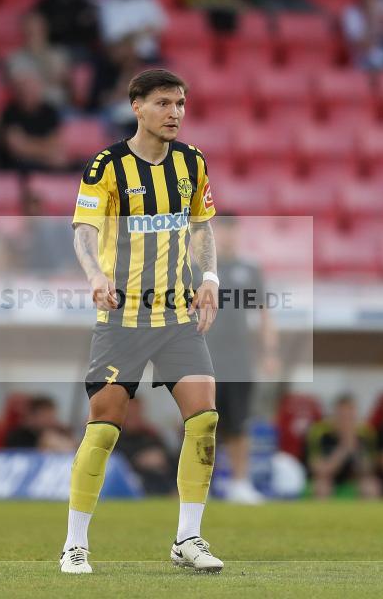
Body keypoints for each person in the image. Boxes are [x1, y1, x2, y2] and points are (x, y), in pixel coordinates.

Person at [61, 69, 223, 574]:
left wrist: (211, 276)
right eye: (163, 103)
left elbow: (201, 226)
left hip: (177, 316)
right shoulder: (107, 166)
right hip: (123, 317)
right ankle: (75, 544)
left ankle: (188, 539)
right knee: (105, 429)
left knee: (205, 421)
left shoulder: (192, 162)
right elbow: (85, 231)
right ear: (136, 106)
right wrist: (93, 275)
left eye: (180, 103)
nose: (175, 112)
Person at [200, 215, 279, 505]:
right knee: (200, 425)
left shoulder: (249, 270)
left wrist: (269, 352)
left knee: (238, 424)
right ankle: (199, 486)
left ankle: (240, 483)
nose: (227, 235)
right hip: (202, 358)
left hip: (238, 361)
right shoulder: (198, 268)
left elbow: (264, 313)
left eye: (232, 230)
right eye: (221, 229)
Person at [308, 394, 381, 499]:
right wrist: (343, 448)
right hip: (327, 479)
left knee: (372, 487)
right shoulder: (319, 432)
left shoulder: (365, 433)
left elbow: (368, 470)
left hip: (354, 480)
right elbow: (320, 470)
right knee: (321, 487)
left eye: (350, 416)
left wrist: (355, 449)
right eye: (342, 416)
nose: (346, 421)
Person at [0, 71, 68, 172]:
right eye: (25, 90)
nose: (28, 93)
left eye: (32, 89)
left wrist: (28, 143)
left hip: (43, 161)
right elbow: (16, 147)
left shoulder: (50, 112)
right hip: (19, 165)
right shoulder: (10, 112)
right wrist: (44, 147)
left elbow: (56, 144)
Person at [7, 11, 71, 107]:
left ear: (45, 29)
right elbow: (25, 88)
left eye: (39, 28)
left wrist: (42, 53)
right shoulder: (15, 58)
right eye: (30, 29)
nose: (35, 32)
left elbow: (63, 81)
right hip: (34, 109)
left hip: (60, 107)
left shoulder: (59, 54)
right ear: (24, 31)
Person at [115, 397, 177, 496]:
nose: (134, 416)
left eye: (136, 412)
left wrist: (162, 458)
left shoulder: (150, 434)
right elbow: (115, 464)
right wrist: (138, 460)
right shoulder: (115, 437)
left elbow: (170, 457)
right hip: (136, 483)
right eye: (130, 414)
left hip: (163, 481)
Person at [4, 395, 76, 452]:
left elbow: (74, 449)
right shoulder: (18, 437)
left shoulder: (61, 431)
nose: (50, 421)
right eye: (45, 416)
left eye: (52, 416)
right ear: (32, 417)